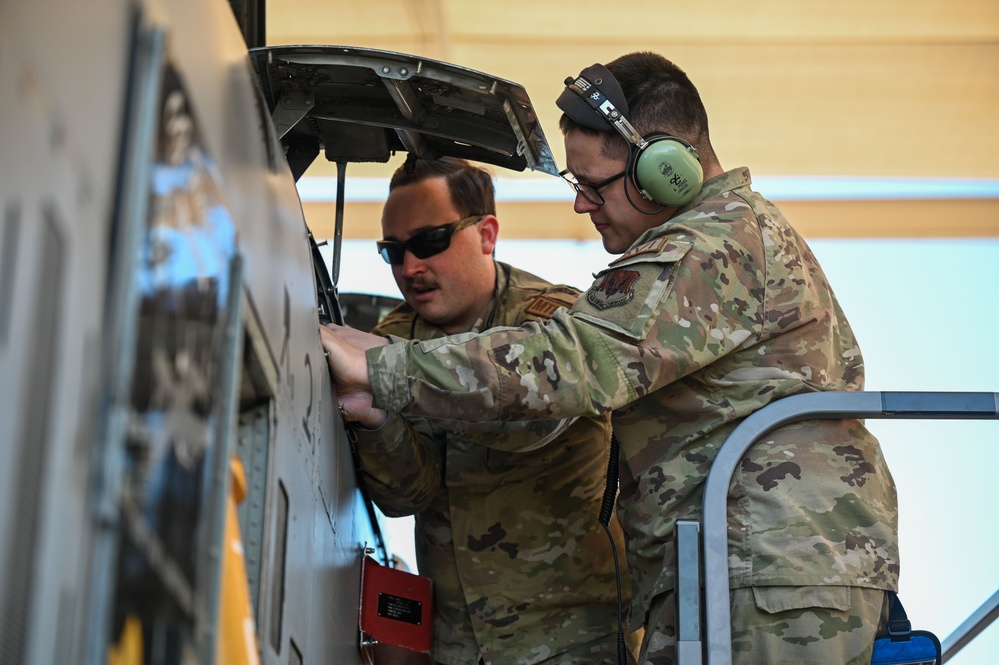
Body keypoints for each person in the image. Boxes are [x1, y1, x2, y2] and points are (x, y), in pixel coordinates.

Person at [324, 53, 898, 665]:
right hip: (739, 573)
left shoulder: (709, 244)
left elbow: (578, 361)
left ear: (665, 170)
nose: (581, 205)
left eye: (594, 186)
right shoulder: (723, 234)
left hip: (765, 572)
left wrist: (382, 368)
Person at [331, 156, 639, 665]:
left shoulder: (554, 321)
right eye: (393, 251)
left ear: (486, 234)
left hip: (573, 638)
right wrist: (377, 419)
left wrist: (396, 376)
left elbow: (528, 423)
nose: (410, 268)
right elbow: (408, 493)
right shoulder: (392, 338)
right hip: (459, 646)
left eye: (429, 242)